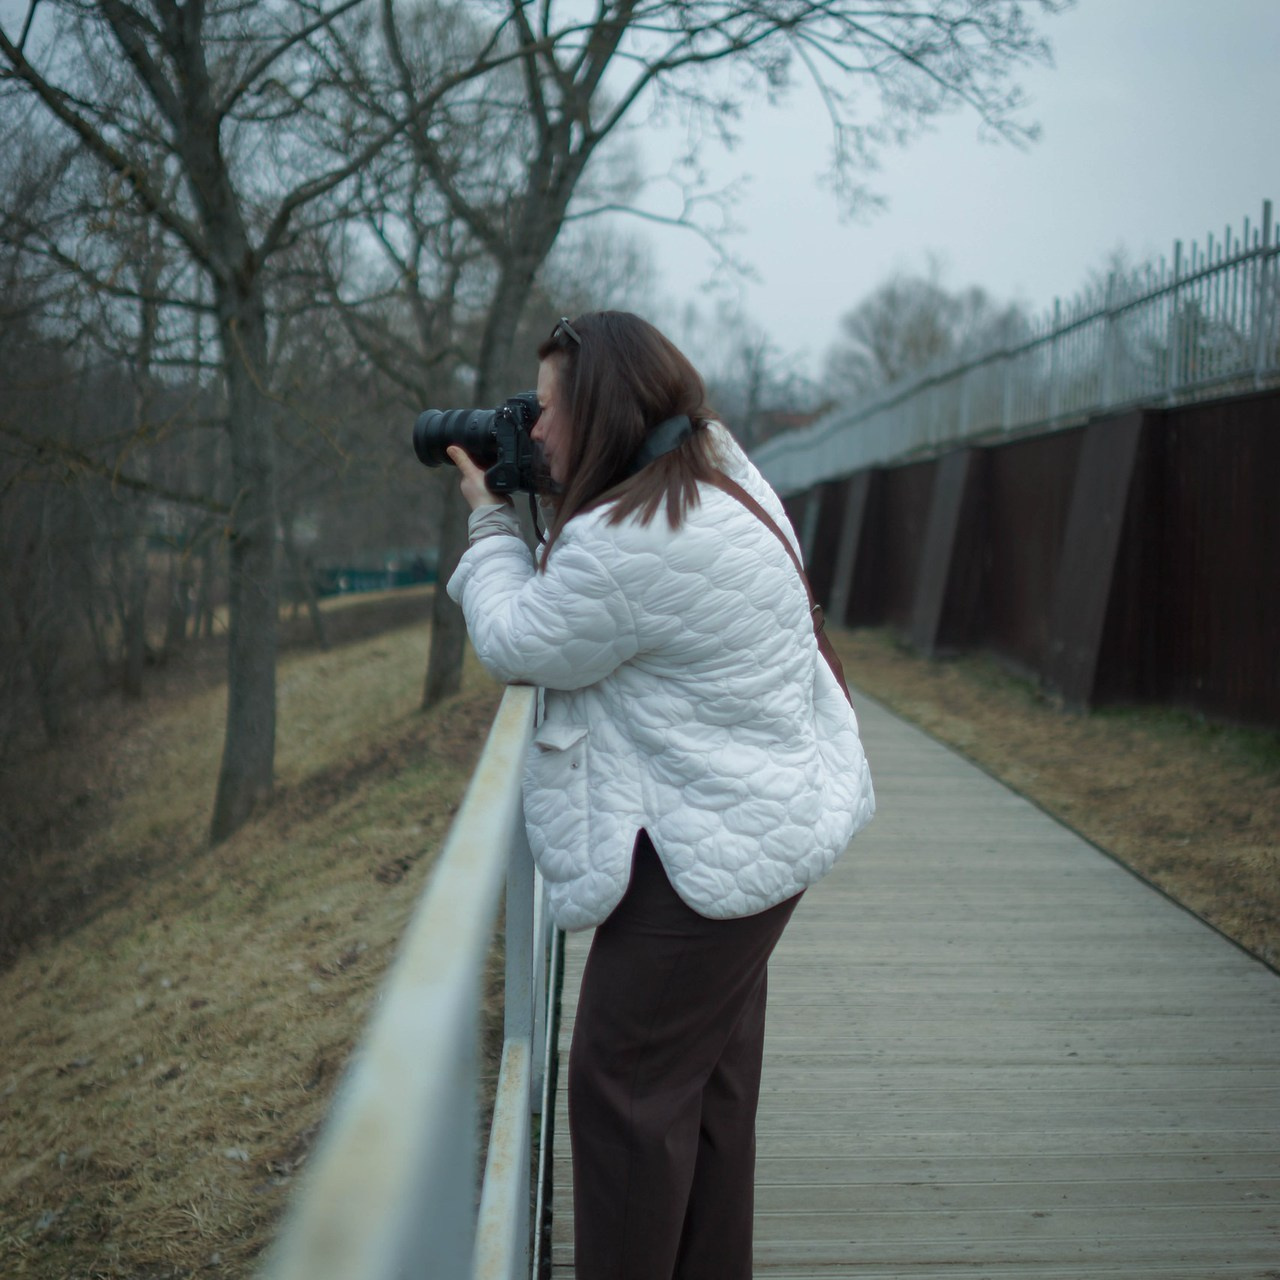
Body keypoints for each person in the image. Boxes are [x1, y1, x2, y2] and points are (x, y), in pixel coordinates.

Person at [445, 311, 874, 1279]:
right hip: (757, 828)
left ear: (599, 409)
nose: (535, 431)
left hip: (706, 858)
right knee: (705, 1096)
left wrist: (485, 513)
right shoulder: (716, 468)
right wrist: (552, 495)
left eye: (548, 410)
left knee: (623, 1096)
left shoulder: (629, 537)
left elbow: (516, 635)